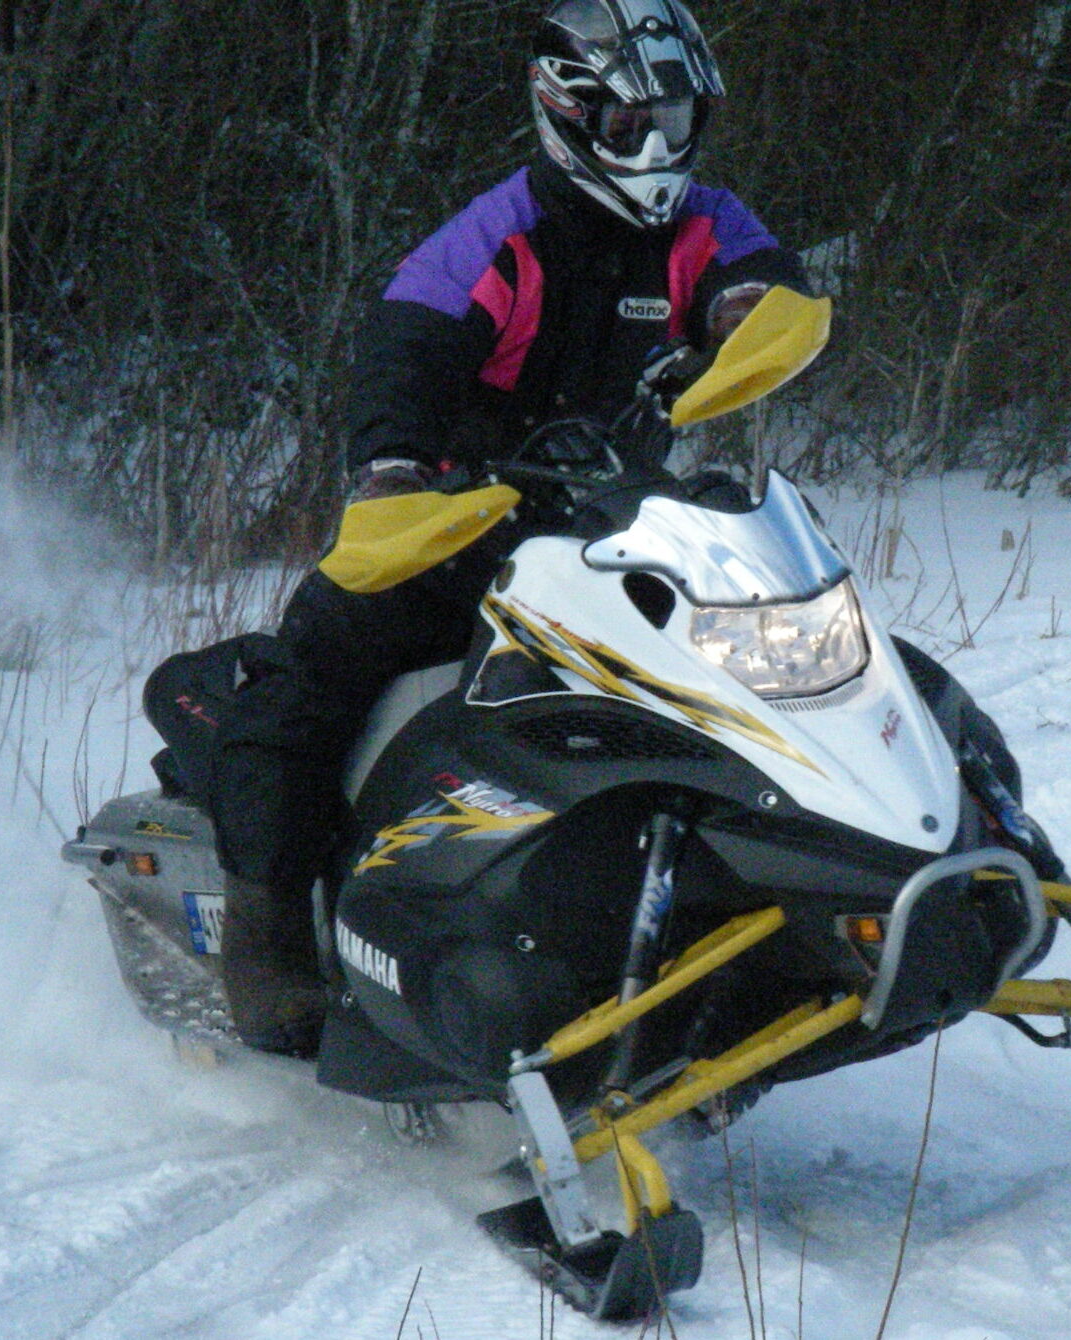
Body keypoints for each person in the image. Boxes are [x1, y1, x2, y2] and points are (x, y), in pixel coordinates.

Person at [207, 0, 813, 1057]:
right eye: (632, 125)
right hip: (459, 527)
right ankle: (264, 936)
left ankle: (736, 922)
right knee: (310, 675)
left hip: (617, 526)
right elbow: (404, 358)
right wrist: (397, 474)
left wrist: (744, 317)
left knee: (740, 675)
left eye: (675, 122)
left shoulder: (704, 222)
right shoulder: (491, 241)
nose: (658, 151)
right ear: (566, 114)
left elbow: (758, 284)